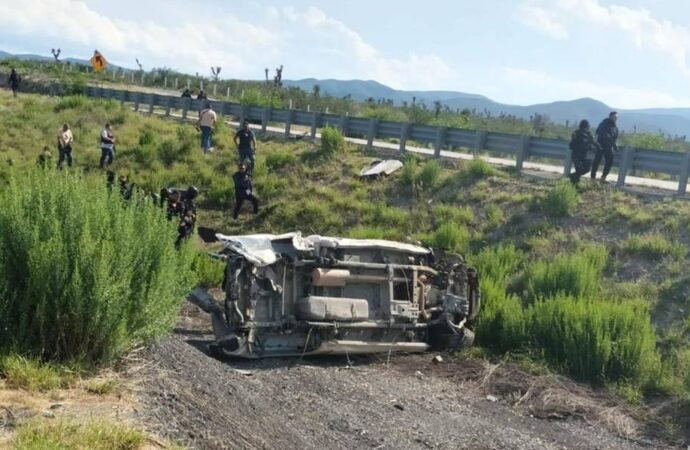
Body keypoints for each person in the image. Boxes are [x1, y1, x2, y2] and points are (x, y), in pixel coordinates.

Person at [590, 111, 619, 183]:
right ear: (610, 116)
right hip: (601, 145)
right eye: (614, 117)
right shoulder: (604, 123)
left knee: (610, 161)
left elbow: (615, 137)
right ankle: (592, 177)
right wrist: (607, 137)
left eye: (617, 117)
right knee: (597, 161)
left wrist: (615, 144)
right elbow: (599, 132)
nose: (616, 118)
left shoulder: (615, 127)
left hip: (609, 146)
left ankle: (603, 177)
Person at [568, 120, 600, 184]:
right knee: (579, 169)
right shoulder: (576, 133)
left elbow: (593, 141)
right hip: (576, 155)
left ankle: (572, 176)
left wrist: (598, 147)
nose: (586, 128)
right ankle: (574, 184)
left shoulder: (589, 134)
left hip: (584, 154)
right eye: (585, 127)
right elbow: (572, 144)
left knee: (587, 169)